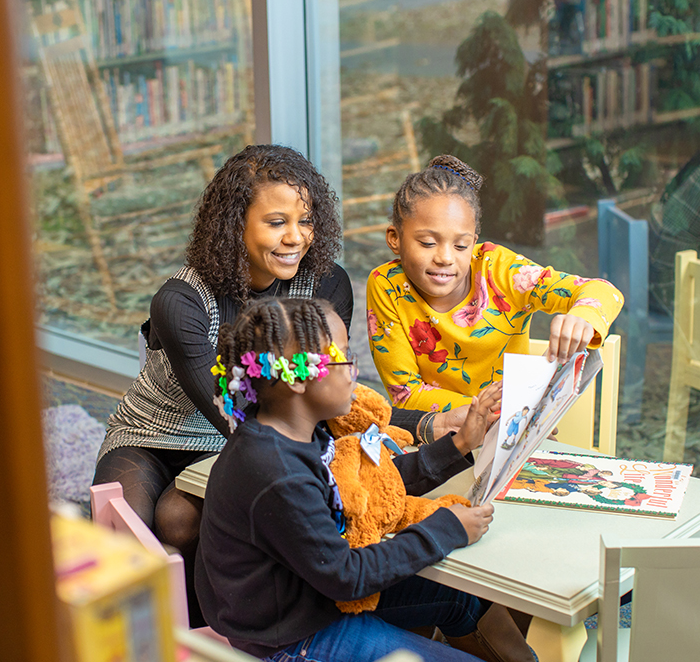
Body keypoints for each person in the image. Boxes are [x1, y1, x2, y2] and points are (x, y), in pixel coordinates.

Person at [92, 144, 455, 624]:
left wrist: (430, 424)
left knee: (180, 520)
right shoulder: (181, 301)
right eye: (276, 222)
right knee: (128, 540)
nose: (296, 238)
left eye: (305, 222)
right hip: (160, 434)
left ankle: (225, 632)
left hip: (254, 435)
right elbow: (237, 415)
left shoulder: (326, 286)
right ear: (234, 224)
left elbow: (329, 395)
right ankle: (164, 644)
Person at [196, 297, 540, 662]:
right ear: (295, 378)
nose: (353, 371)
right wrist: (447, 529)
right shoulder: (277, 472)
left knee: (463, 600)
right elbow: (347, 576)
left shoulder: (299, 433)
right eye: (342, 356)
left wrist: (459, 444)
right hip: (291, 638)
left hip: (314, 598)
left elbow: (372, 483)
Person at [367, 155, 623, 429]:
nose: (445, 257)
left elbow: (606, 292)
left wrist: (582, 316)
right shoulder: (387, 286)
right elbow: (406, 394)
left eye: (461, 246)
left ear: (474, 243)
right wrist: (491, 412)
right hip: (442, 437)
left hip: (513, 434)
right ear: (394, 238)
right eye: (428, 243)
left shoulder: (501, 271)